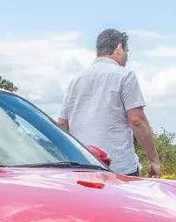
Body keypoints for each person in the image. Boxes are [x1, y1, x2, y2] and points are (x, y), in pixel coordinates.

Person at [57, 29, 161, 177]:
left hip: (81, 168)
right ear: (119, 48)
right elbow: (137, 120)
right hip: (118, 169)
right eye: (127, 51)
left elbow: (62, 125)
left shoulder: (76, 81)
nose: (126, 57)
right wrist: (154, 160)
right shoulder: (125, 76)